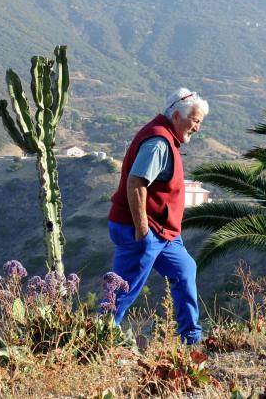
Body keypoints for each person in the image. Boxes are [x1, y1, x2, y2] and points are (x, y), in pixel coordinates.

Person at [106, 88, 208, 345]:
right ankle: (97, 338)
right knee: (123, 290)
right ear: (176, 115)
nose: (197, 128)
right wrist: (142, 231)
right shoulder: (159, 142)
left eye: (199, 122)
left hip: (163, 232)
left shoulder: (165, 137)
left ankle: (191, 339)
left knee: (185, 270)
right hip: (141, 229)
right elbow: (136, 182)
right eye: (195, 121)